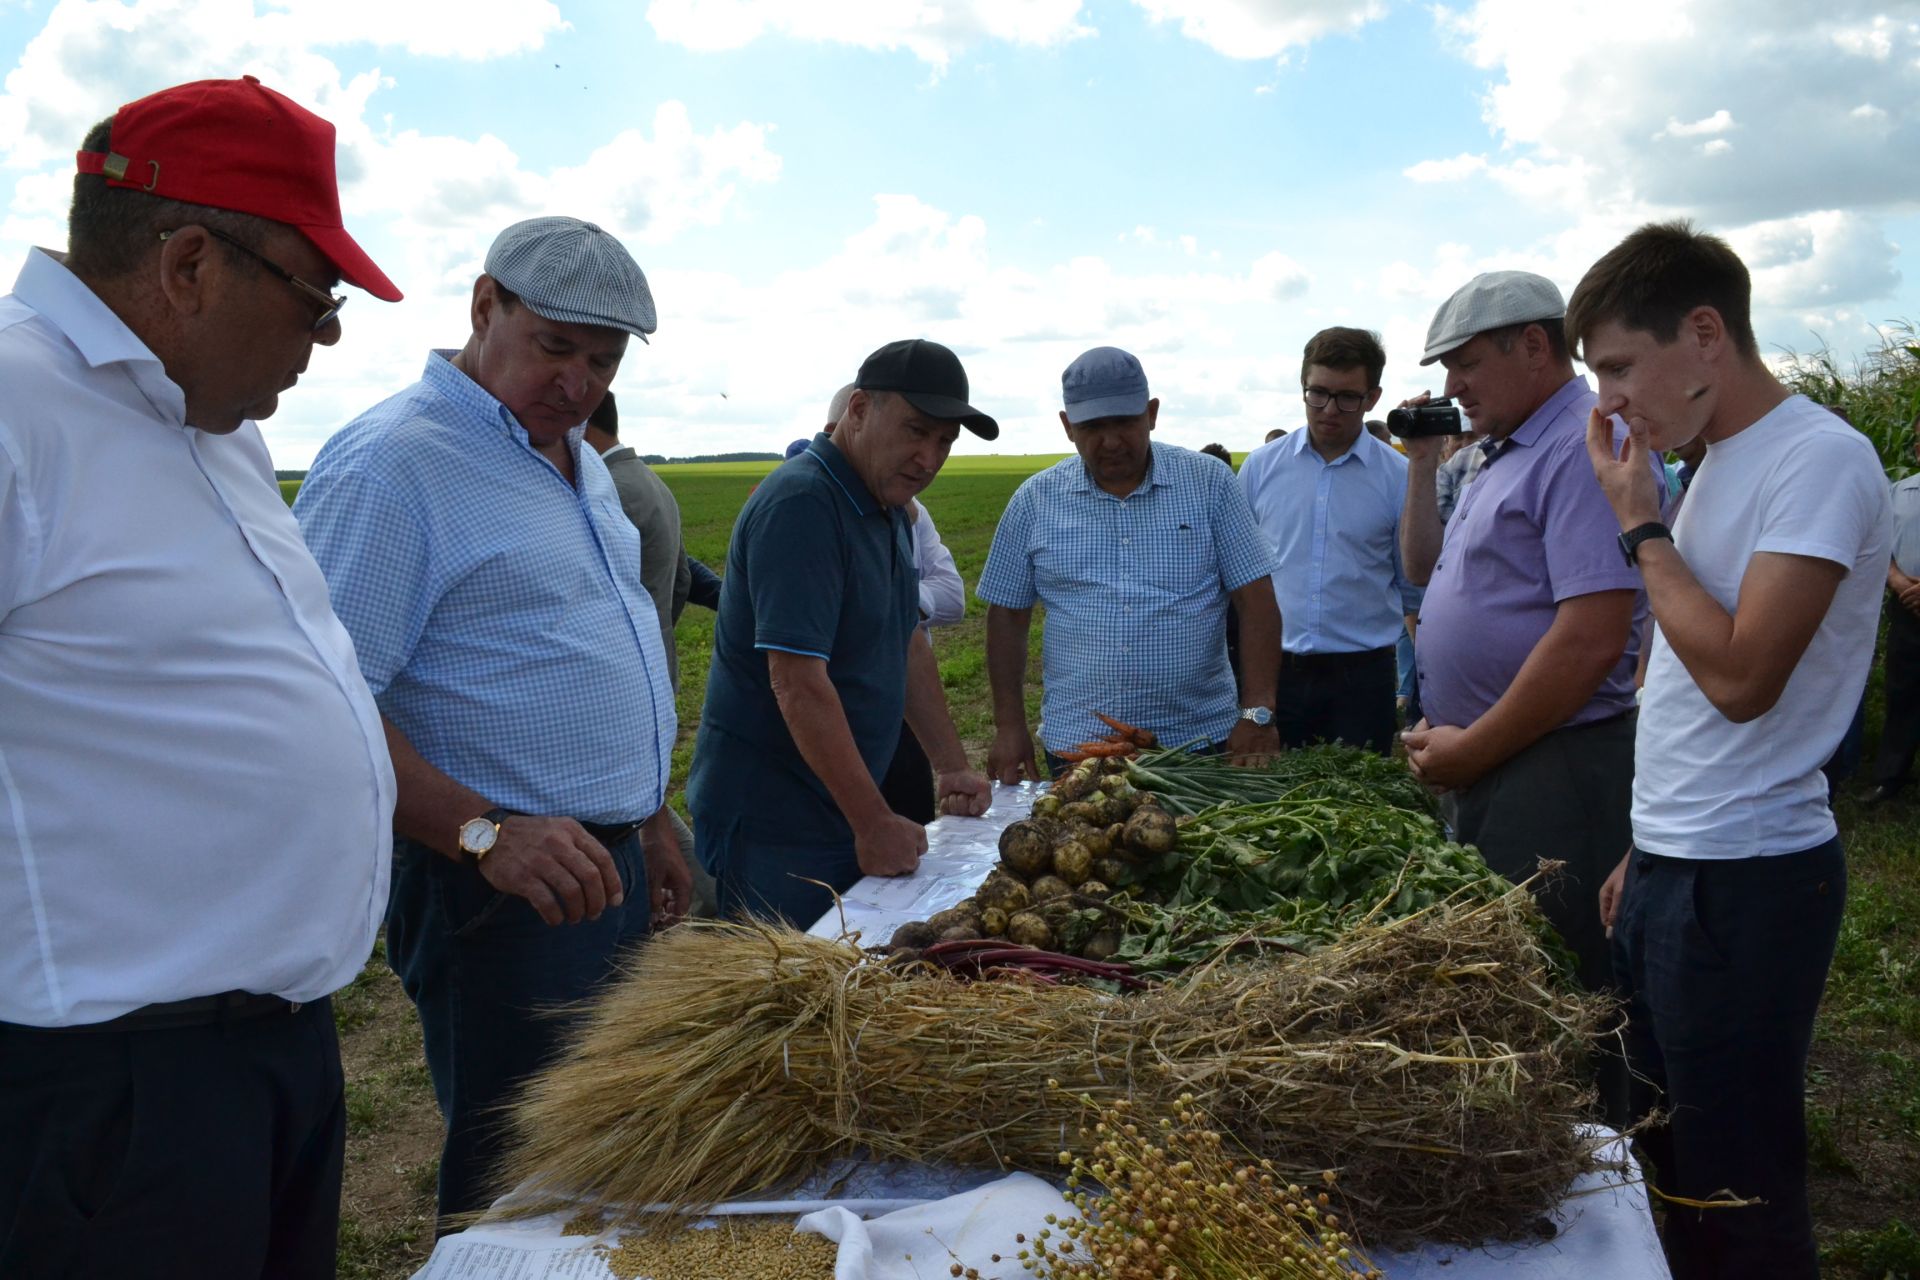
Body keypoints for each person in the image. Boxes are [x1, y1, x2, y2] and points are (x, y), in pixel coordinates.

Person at [0, 78, 400, 1278]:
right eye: (316, 298)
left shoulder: (216, 425)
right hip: (112, 1093)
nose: (323, 339)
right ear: (189, 264)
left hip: (267, 1055)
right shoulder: (18, 408)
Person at [294, 216, 690, 1225]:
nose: (578, 382)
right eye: (555, 347)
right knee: (518, 1173)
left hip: (605, 861)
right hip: (495, 887)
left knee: (608, 1148)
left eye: (600, 361)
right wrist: (480, 831)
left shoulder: (576, 460)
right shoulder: (394, 465)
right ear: (483, 307)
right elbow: (323, 699)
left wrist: (646, 817)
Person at [1575, 220, 1893, 1279]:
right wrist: (1642, 844)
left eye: (1620, 366)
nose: (1610, 401)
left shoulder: (1819, 458)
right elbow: (1678, 690)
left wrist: (1641, 528)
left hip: (1750, 879)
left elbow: (1745, 678)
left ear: (1704, 331)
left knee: (1736, 1193)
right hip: (1678, 865)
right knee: (1663, 1160)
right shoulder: (1715, 466)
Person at [1398, 270, 1656, 1128]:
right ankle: (1540, 1145)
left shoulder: (1582, 448)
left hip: (1556, 764)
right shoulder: (1507, 448)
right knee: (1516, 974)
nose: (1451, 387)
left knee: (1564, 980)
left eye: (1464, 363)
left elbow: (1590, 638)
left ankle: (1594, 1174)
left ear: (1534, 347)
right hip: (1508, 757)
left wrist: (1473, 748)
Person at [686, 341, 993, 926]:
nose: (928, 457)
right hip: (776, 824)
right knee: (787, 1004)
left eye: (944, 442)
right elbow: (797, 683)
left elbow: (907, 643)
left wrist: (950, 764)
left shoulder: (887, 507)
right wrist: (871, 821)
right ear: (857, 411)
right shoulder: (803, 503)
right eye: (915, 431)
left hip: (833, 806)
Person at [979, 346, 1282, 778]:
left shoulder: (1210, 484)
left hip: (1197, 743)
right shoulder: (1035, 500)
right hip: (1081, 748)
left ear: (1152, 413)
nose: (1111, 441)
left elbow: (1256, 600)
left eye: (1124, 422)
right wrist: (1009, 728)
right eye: (1093, 426)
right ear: (1067, 427)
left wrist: (1257, 713)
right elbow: (1006, 617)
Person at [1239, 327, 1419, 754]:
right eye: (1317, 393)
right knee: (1272, 806)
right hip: (1275, 674)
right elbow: (1238, 576)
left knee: (1358, 808)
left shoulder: (1398, 477)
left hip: (1362, 679)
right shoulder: (1261, 468)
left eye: (1346, 397)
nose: (1329, 409)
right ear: (1303, 387)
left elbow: (1412, 586)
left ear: (1372, 397)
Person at [583, 388, 719, 917]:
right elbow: (682, 578)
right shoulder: (649, 481)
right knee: (647, 802)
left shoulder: (607, 488)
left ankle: (706, 902)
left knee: (642, 811)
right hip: (655, 669)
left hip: (623, 683)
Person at [1868, 415, 1920, 805]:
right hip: (1907, 607)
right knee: (1902, 690)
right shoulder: (1899, 492)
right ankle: (1890, 778)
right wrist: (1899, 581)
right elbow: (1877, 543)